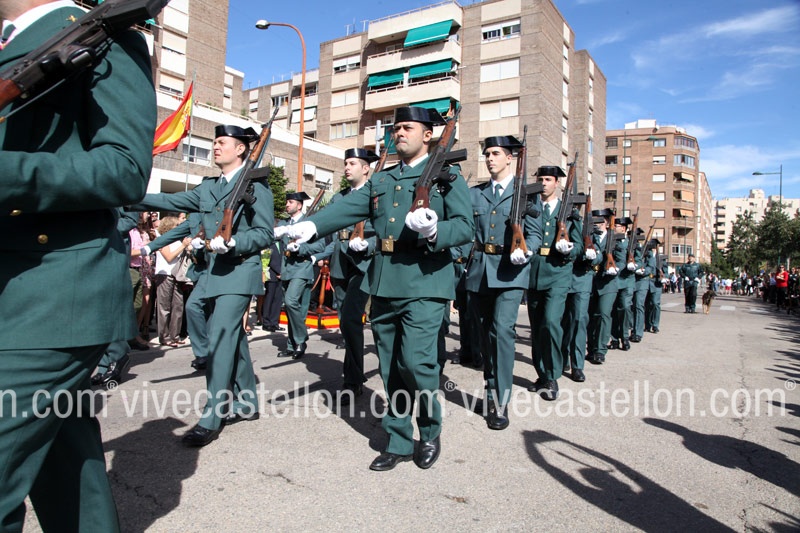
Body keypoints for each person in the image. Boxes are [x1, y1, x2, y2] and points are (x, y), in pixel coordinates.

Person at [0, 1, 156, 529]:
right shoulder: (10, 45)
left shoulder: (100, 37)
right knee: (64, 466)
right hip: (16, 292)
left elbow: (125, 169)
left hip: (50, 293)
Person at [286, 106, 474, 471]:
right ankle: (399, 440)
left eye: (407, 127)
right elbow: (351, 207)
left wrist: (436, 230)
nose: (399, 132)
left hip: (425, 280)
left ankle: (429, 431)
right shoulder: (383, 179)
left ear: (428, 135)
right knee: (390, 367)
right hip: (385, 280)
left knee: (416, 363)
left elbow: (466, 227)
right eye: (396, 127)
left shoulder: (447, 176)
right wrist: (313, 226)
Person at [130, 124, 273, 446]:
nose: (215, 147)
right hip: (211, 273)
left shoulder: (256, 186)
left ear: (241, 149)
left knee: (220, 338)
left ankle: (213, 415)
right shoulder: (208, 187)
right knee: (233, 339)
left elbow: (264, 233)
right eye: (214, 142)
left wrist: (235, 242)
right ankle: (247, 402)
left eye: (222, 142)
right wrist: (126, 196)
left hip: (239, 271)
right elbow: (170, 198)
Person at [466, 135, 539, 429]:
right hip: (480, 272)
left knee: (502, 331)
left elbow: (534, 232)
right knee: (486, 336)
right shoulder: (475, 194)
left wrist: (527, 250)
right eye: (487, 154)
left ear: (510, 158)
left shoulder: (526, 194)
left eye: (496, 153)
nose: (490, 158)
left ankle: (499, 401)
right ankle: (490, 389)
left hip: (511, 272)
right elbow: (466, 231)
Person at [319, 148, 379, 402]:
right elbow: (327, 228)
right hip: (341, 265)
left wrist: (369, 243)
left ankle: (353, 380)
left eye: (352, 163)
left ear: (365, 168)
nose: (346, 167)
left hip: (365, 265)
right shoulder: (339, 198)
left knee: (354, 318)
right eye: (345, 163)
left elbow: (387, 228)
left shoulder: (377, 196)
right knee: (346, 322)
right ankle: (354, 376)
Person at [526, 165, 582, 401]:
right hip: (534, 272)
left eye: (548, 179)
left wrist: (569, 249)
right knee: (538, 327)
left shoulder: (569, 211)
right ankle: (541, 374)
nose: (543, 183)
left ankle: (551, 376)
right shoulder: (529, 207)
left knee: (550, 323)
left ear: (557, 183)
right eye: (540, 179)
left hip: (559, 272)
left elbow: (579, 245)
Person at [273, 192, 328, 359]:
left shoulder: (309, 222)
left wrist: (300, 248)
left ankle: (300, 338)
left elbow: (320, 245)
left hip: (302, 268)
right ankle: (293, 345)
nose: (287, 205)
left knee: (291, 302)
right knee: (291, 308)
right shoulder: (283, 224)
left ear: (299, 205)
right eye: (287, 202)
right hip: (287, 269)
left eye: (290, 202)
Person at [561, 206, 601, 382]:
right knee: (561, 322)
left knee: (578, 320)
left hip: (582, 278)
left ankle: (577, 365)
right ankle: (562, 359)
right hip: (561, 276)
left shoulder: (588, 227)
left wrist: (591, 256)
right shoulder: (560, 221)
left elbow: (600, 255)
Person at [586, 210, 626, 365]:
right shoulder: (590, 236)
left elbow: (621, 260)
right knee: (590, 316)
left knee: (603, 314)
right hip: (591, 280)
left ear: (607, 223)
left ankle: (600, 350)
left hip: (608, 282)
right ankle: (591, 348)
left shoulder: (615, 238)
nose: (597, 224)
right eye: (595, 221)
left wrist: (615, 268)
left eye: (601, 221)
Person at [608, 217, 637, 350]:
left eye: (617, 226)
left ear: (623, 228)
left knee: (625, 307)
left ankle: (624, 337)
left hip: (627, 280)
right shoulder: (611, 240)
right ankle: (614, 339)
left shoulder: (632, 242)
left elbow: (639, 260)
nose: (614, 228)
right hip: (613, 279)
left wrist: (635, 266)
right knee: (613, 310)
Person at [644, 243, 669, 333]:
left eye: (654, 248)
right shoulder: (646, 257)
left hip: (656, 282)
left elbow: (665, 271)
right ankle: (647, 324)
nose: (652, 250)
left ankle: (655, 325)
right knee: (647, 305)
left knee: (655, 303)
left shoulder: (661, 258)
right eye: (651, 248)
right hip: (646, 281)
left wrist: (665, 278)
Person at [630, 229, 648, 343]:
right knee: (630, 306)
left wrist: (643, 271)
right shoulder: (628, 248)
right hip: (631, 279)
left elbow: (651, 266)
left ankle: (637, 332)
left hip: (642, 281)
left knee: (638, 305)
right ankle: (631, 329)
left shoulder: (646, 250)